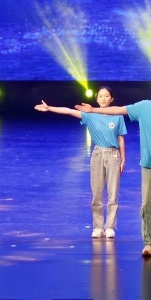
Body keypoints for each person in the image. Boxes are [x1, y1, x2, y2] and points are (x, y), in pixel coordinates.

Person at [78, 69, 151, 258]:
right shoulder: (144, 107)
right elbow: (119, 110)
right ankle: (149, 242)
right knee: (147, 205)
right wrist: (93, 110)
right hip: (149, 165)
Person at [36, 86, 127, 237]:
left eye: (106, 96)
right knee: (96, 192)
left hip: (113, 155)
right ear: (97, 99)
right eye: (100, 96)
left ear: (112, 99)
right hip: (98, 154)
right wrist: (49, 108)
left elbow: (121, 140)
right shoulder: (90, 115)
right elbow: (68, 111)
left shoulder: (118, 117)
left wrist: (123, 159)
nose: (103, 98)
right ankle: (98, 227)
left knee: (113, 193)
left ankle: (110, 227)